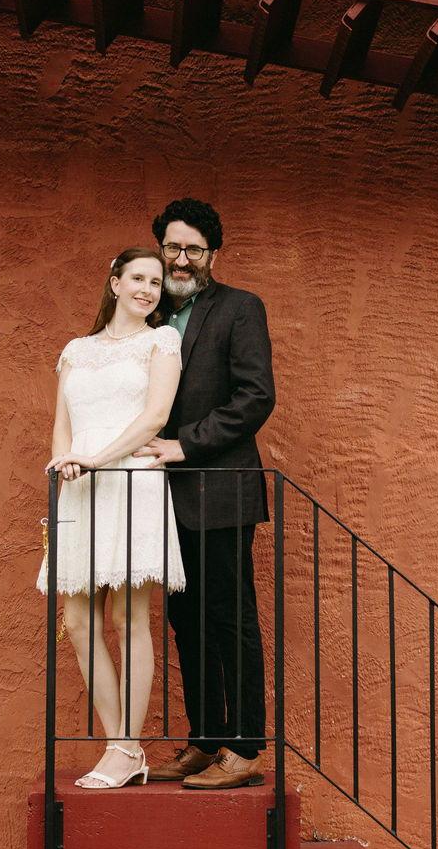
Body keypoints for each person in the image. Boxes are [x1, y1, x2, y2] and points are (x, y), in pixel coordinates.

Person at [135, 199, 276, 790]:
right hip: (160, 500)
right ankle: (205, 739)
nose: (182, 259)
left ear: (212, 254)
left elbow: (254, 397)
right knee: (185, 621)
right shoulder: (146, 314)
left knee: (229, 617)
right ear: (159, 249)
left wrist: (183, 445)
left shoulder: (240, 309)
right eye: (173, 247)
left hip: (220, 491)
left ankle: (244, 748)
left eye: (194, 249)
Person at [37, 246, 187, 788]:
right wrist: (63, 465)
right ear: (115, 282)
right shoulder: (75, 350)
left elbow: (156, 416)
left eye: (157, 281)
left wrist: (96, 459)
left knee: (127, 618)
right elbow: (63, 422)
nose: (149, 288)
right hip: (77, 486)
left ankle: (125, 748)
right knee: (78, 621)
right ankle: (117, 743)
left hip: (129, 481)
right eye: (139, 278)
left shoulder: (161, 341)